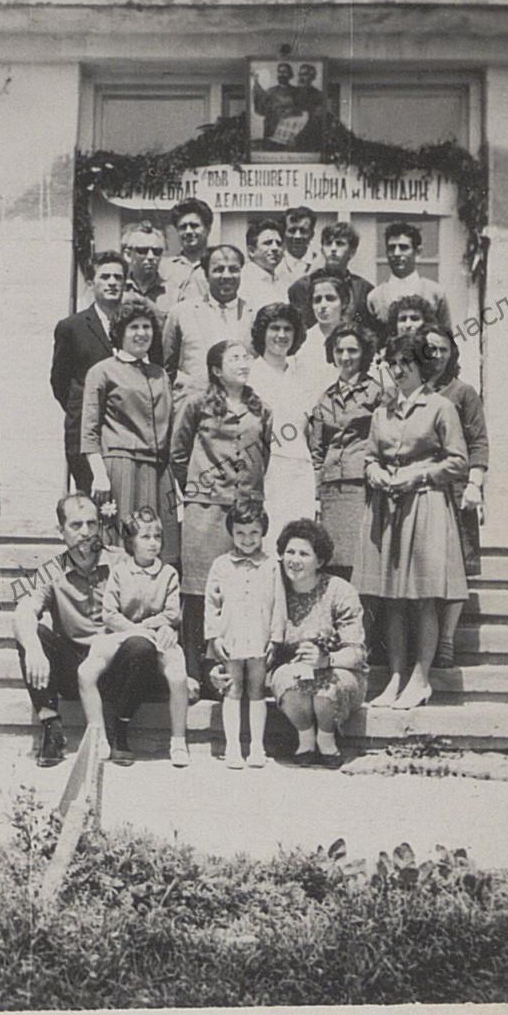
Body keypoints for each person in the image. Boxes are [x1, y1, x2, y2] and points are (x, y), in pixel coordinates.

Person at [351, 332, 469, 710]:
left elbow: (458, 461)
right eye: (393, 364)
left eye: (407, 363)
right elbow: (370, 457)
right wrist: (374, 472)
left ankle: (421, 679)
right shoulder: (382, 412)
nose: (399, 370)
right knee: (392, 600)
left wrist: (419, 476)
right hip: (388, 509)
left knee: (423, 598)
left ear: (422, 366)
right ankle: (396, 678)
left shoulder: (440, 407)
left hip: (425, 505)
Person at [13, 493, 163, 767]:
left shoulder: (122, 561)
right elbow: (24, 610)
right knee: (34, 634)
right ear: (61, 531)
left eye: (91, 524)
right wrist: (33, 649)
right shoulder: (51, 571)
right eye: (76, 525)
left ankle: (120, 728)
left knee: (141, 646)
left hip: (115, 665)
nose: (85, 532)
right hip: (73, 668)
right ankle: (52, 729)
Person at [212, 518, 368, 769]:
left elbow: (357, 653)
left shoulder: (340, 591)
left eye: (304, 554)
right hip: (293, 674)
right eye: (290, 552)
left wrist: (327, 660)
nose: (294, 560)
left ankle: (326, 738)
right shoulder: (273, 586)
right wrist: (221, 664)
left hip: (340, 671)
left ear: (320, 561)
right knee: (286, 680)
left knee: (326, 689)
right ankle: (305, 738)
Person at [171, 340, 274, 689]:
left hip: (245, 511)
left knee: (239, 589)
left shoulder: (261, 408)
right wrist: (201, 487)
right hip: (205, 510)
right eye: (234, 359)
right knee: (199, 591)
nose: (243, 363)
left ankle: (231, 676)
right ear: (216, 369)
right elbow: (178, 453)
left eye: (245, 357)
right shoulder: (197, 404)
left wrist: (248, 493)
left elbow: (264, 454)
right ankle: (195, 674)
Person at [78, 510, 191, 767]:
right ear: (131, 541)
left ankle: (178, 741)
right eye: (145, 537)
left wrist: (150, 627)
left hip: (156, 636)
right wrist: (134, 629)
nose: (153, 543)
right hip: (120, 635)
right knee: (86, 672)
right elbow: (109, 613)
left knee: (178, 676)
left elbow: (172, 613)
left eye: (157, 537)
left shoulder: (168, 574)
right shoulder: (120, 572)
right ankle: (98, 736)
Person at [80, 298, 179, 565]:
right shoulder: (102, 371)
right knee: (122, 546)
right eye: (134, 327)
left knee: (160, 547)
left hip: (159, 472)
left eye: (147, 327)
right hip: (122, 468)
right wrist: (99, 474)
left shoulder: (160, 375)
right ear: (120, 332)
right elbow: (89, 430)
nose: (141, 333)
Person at [418, 322, 489, 668]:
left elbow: (478, 442)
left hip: (456, 489)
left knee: (456, 565)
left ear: (452, 353)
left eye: (443, 349)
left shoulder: (463, 392)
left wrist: (475, 484)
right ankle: (423, 641)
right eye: (430, 349)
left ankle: (446, 639)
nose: (437, 355)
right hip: (421, 488)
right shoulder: (411, 389)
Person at [204, 499, 284, 769]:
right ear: (231, 532)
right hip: (232, 637)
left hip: (260, 637)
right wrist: (215, 637)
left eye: (254, 533)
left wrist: (275, 638)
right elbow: (211, 604)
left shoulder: (272, 565)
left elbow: (279, 604)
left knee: (257, 689)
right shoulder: (221, 565)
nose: (247, 539)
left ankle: (257, 746)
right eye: (240, 533)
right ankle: (233, 746)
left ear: (263, 532)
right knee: (233, 689)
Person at [308, 325, 384, 578]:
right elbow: (318, 448)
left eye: (352, 350)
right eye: (339, 350)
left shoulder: (376, 392)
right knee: (331, 557)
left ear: (364, 353)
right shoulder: (326, 397)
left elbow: (383, 439)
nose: (345, 357)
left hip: (360, 484)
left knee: (358, 557)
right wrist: (318, 487)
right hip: (330, 486)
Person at [50, 251, 126, 492]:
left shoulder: (135, 326)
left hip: (125, 434)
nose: (112, 282)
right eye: (105, 277)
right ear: (92, 283)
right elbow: (60, 382)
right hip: (84, 434)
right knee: (91, 501)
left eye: (118, 277)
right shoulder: (72, 327)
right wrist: (84, 411)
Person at [247, 302, 316, 541]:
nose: (281, 335)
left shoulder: (303, 375)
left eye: (288, 329)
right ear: (262, 333)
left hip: (300, 469)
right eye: (274, 328)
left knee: (298, 539)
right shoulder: (250, 375)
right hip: (266, 471)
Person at [163, 244, 255, 408]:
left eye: (233, 269)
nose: (226, 276)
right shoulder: (181, 313)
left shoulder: (253, 315)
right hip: (193, 409)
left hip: (240, 409)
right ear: (206, 275)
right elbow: (166, 368)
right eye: (218, 270)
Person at [367, 221, 452, 337]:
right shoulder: (375, 297)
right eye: (391, 248)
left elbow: (446, 338)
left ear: (417, 252)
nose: (396, 253)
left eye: (403, 247)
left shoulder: (435, 293)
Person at [288, 222, 374, 335]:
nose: (333, 249)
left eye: (340, 244)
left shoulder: (363, 289)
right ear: (322, 250)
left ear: (352, 252)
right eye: (328, 243)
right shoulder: (303, 286)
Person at [293, 268, 347, 410]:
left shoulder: (359, 338)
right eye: (317, 300)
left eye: (330, 298)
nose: (323, 306)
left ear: (344, 302)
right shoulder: (302, 342)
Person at [160, 198, 213, 303]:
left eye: (194, 226)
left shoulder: (218, 266)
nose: (188, 231)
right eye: (183, 227)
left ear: (207, 229)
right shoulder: (164, 268)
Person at [121, 220, 172, 320]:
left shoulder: (173, 292)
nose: (151, 257)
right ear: (128, 255)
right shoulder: (117, 289)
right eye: (142, 250)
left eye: (156, 251)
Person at [240, 217, 289, 312]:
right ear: (251, 251)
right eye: (268, 243)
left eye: (278, 243)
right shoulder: (242, 281)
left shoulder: (284, 280)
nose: (275, 248)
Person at [251, 62, 300, 147]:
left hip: (289, 130)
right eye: (279, 72)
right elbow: (261, 109)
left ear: (290, 74)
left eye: (284, 72)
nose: (281, 74)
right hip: (271, 130)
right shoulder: (271, 91)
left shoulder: (297, 92)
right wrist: (256, 84)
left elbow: (302, 112)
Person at [277, 205, 321, 285]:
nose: (297, 236)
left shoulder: (321, 263)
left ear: (312, 235)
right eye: (292, 230)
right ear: (283, 233)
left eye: (303, 231)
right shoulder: (275, 265)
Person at [292, 63, 326, 152]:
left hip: (309, 139)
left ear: (312, 77)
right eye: (300, 74)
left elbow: (316, 119)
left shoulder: (318, 95)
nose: (301, 78)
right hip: (289, 135)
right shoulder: (292, 93)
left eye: (305, 75)